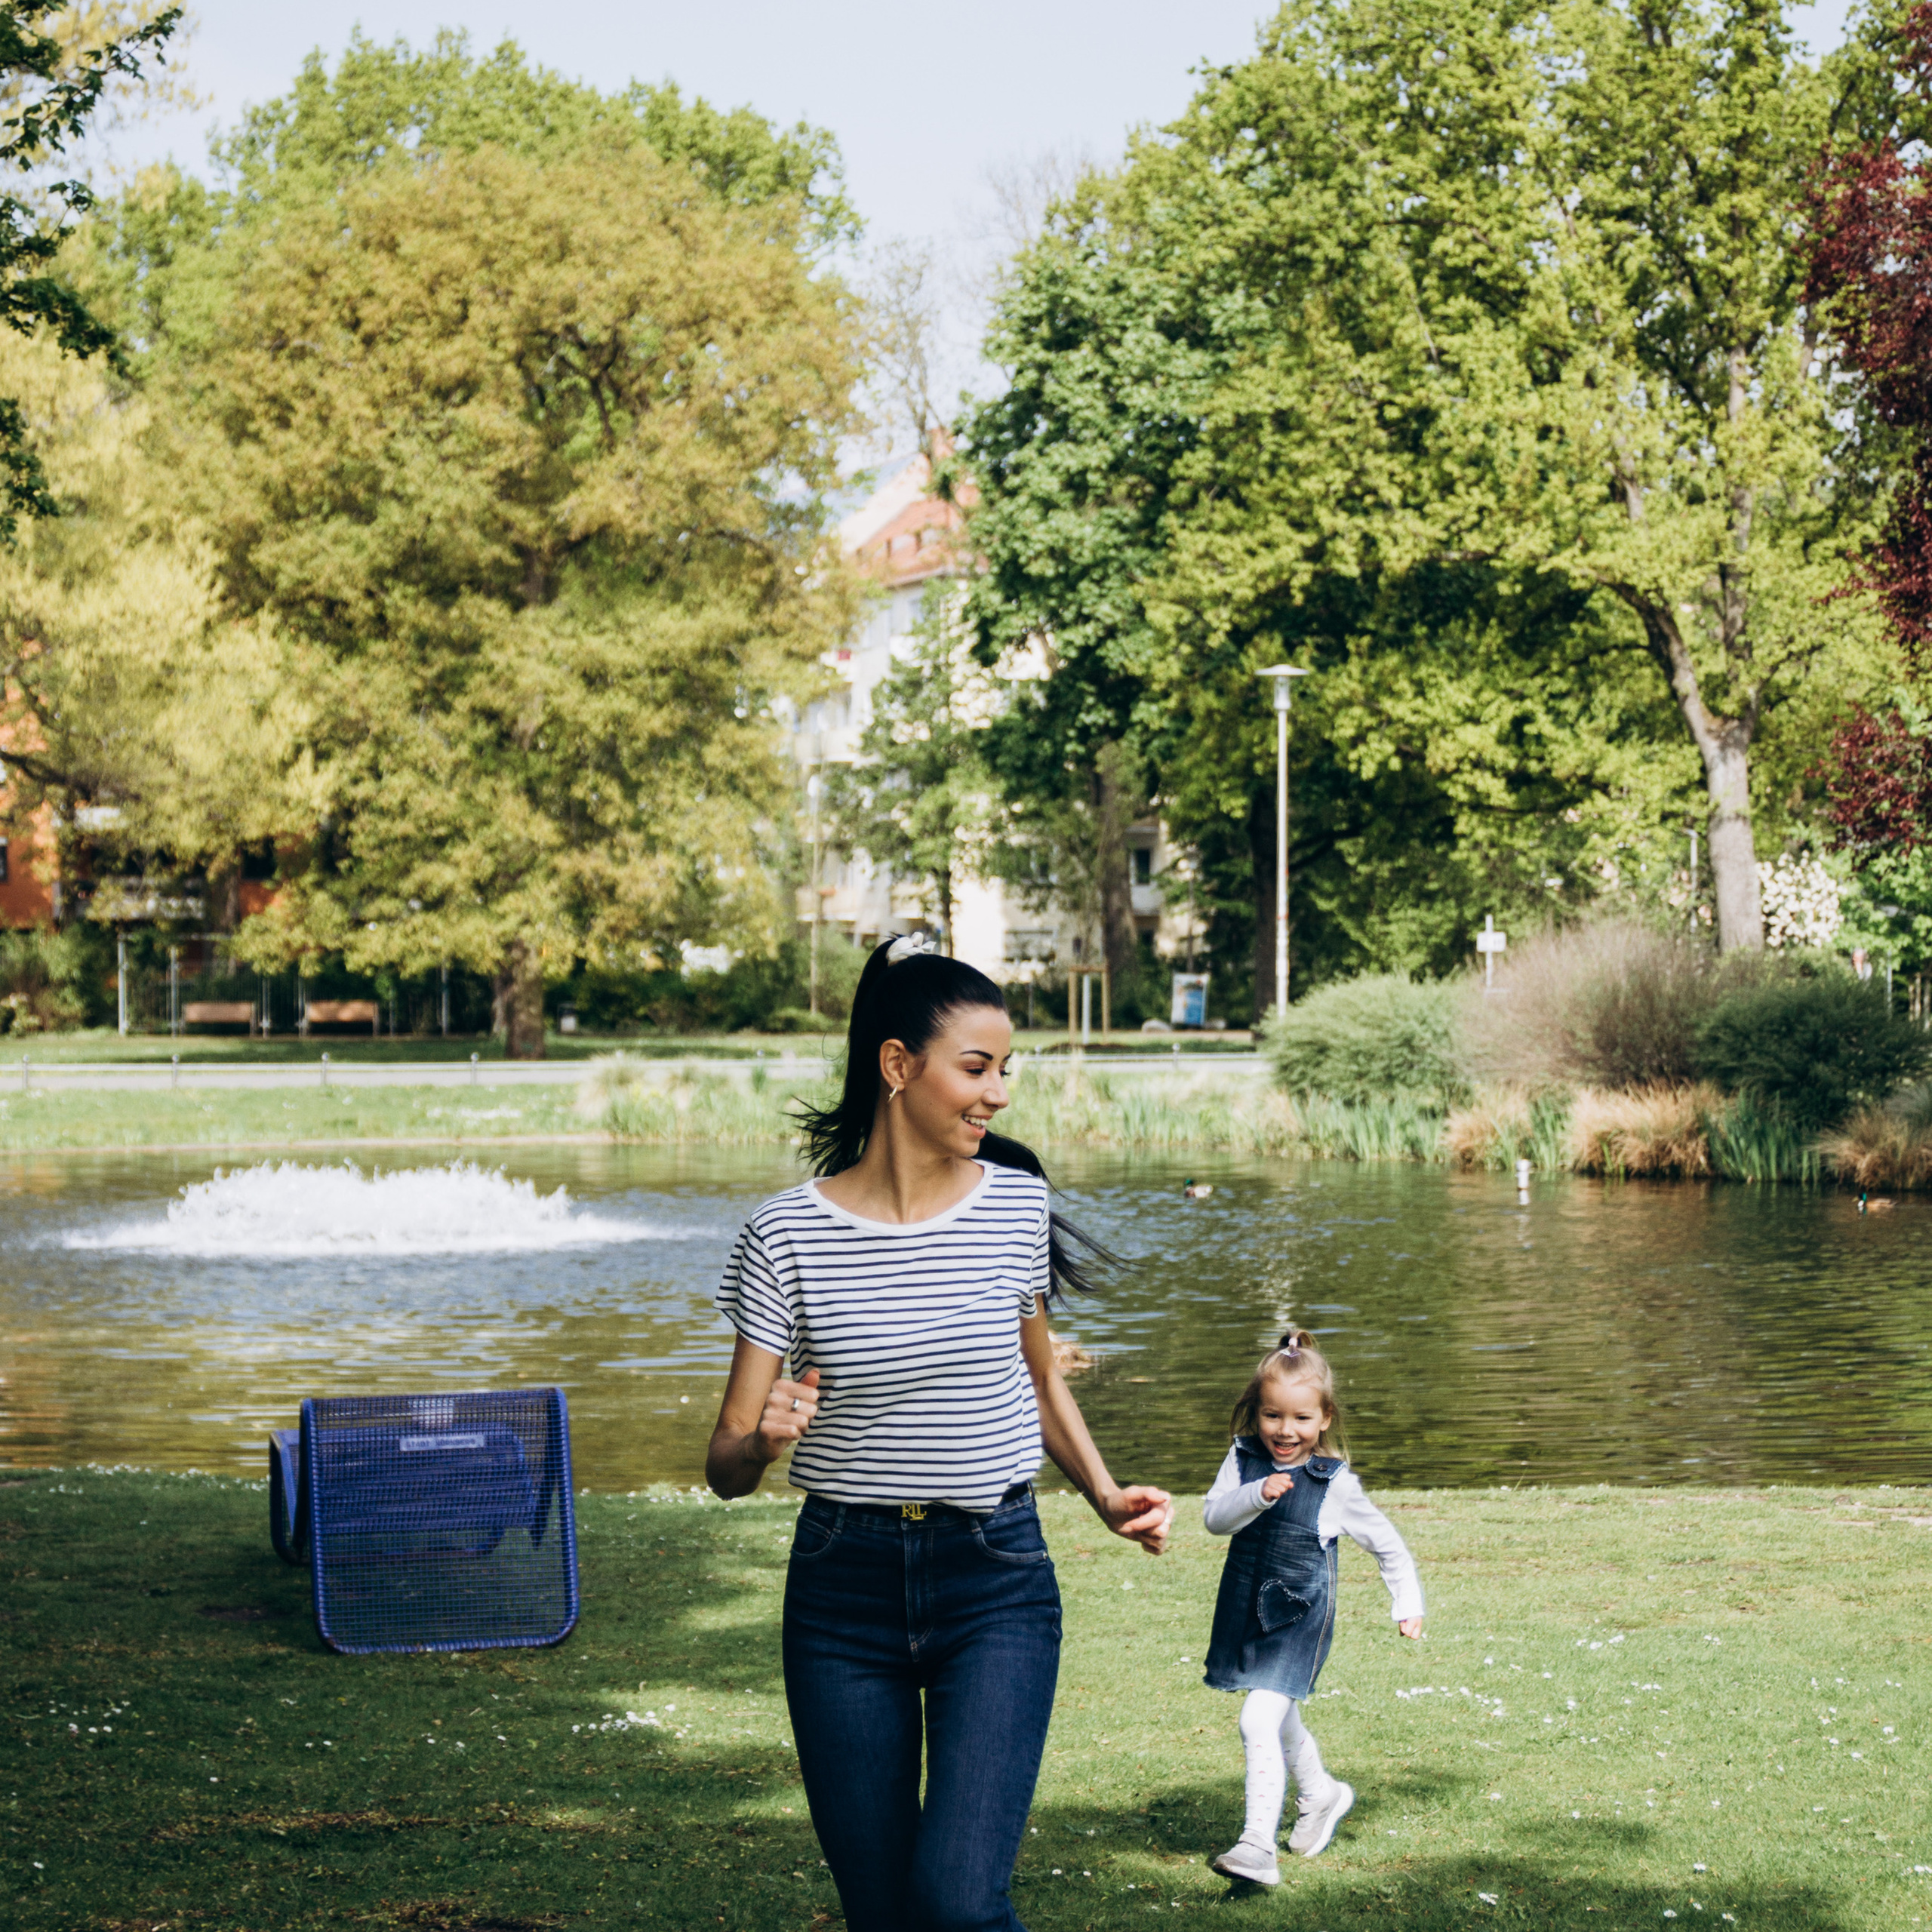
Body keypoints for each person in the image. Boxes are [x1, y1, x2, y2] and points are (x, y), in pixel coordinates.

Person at [705, 934, 1174, 1932]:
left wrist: (1104, 1494)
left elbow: (1038, 1375)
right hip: (841, 1589)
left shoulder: (1016, 1204)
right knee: (882, 1913)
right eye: (976, 1067)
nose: (998, 1093)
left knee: (958, 1903)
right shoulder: (785, 1234)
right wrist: (764, 1441)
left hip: (993, 1578)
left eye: (1005, 1069)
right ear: (898, 1065)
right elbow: (725, 1463)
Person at [1200, 1329, 1423, 1885]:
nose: (1285, 1430)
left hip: (1298, 1619)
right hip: (1246, 1606)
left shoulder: (1335, 1484)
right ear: (1257, 1413)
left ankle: (1257, 1846)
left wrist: (1407, 1602)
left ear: (1324, 1419)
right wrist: (1256, 1495)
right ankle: (1321, 1794)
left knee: (1257, 1718)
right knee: (1278, 1715)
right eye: (1272, 1415)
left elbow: (1388, 1546)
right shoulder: (1242, 1459)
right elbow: (1214, 1520)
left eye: (1301, 1418)